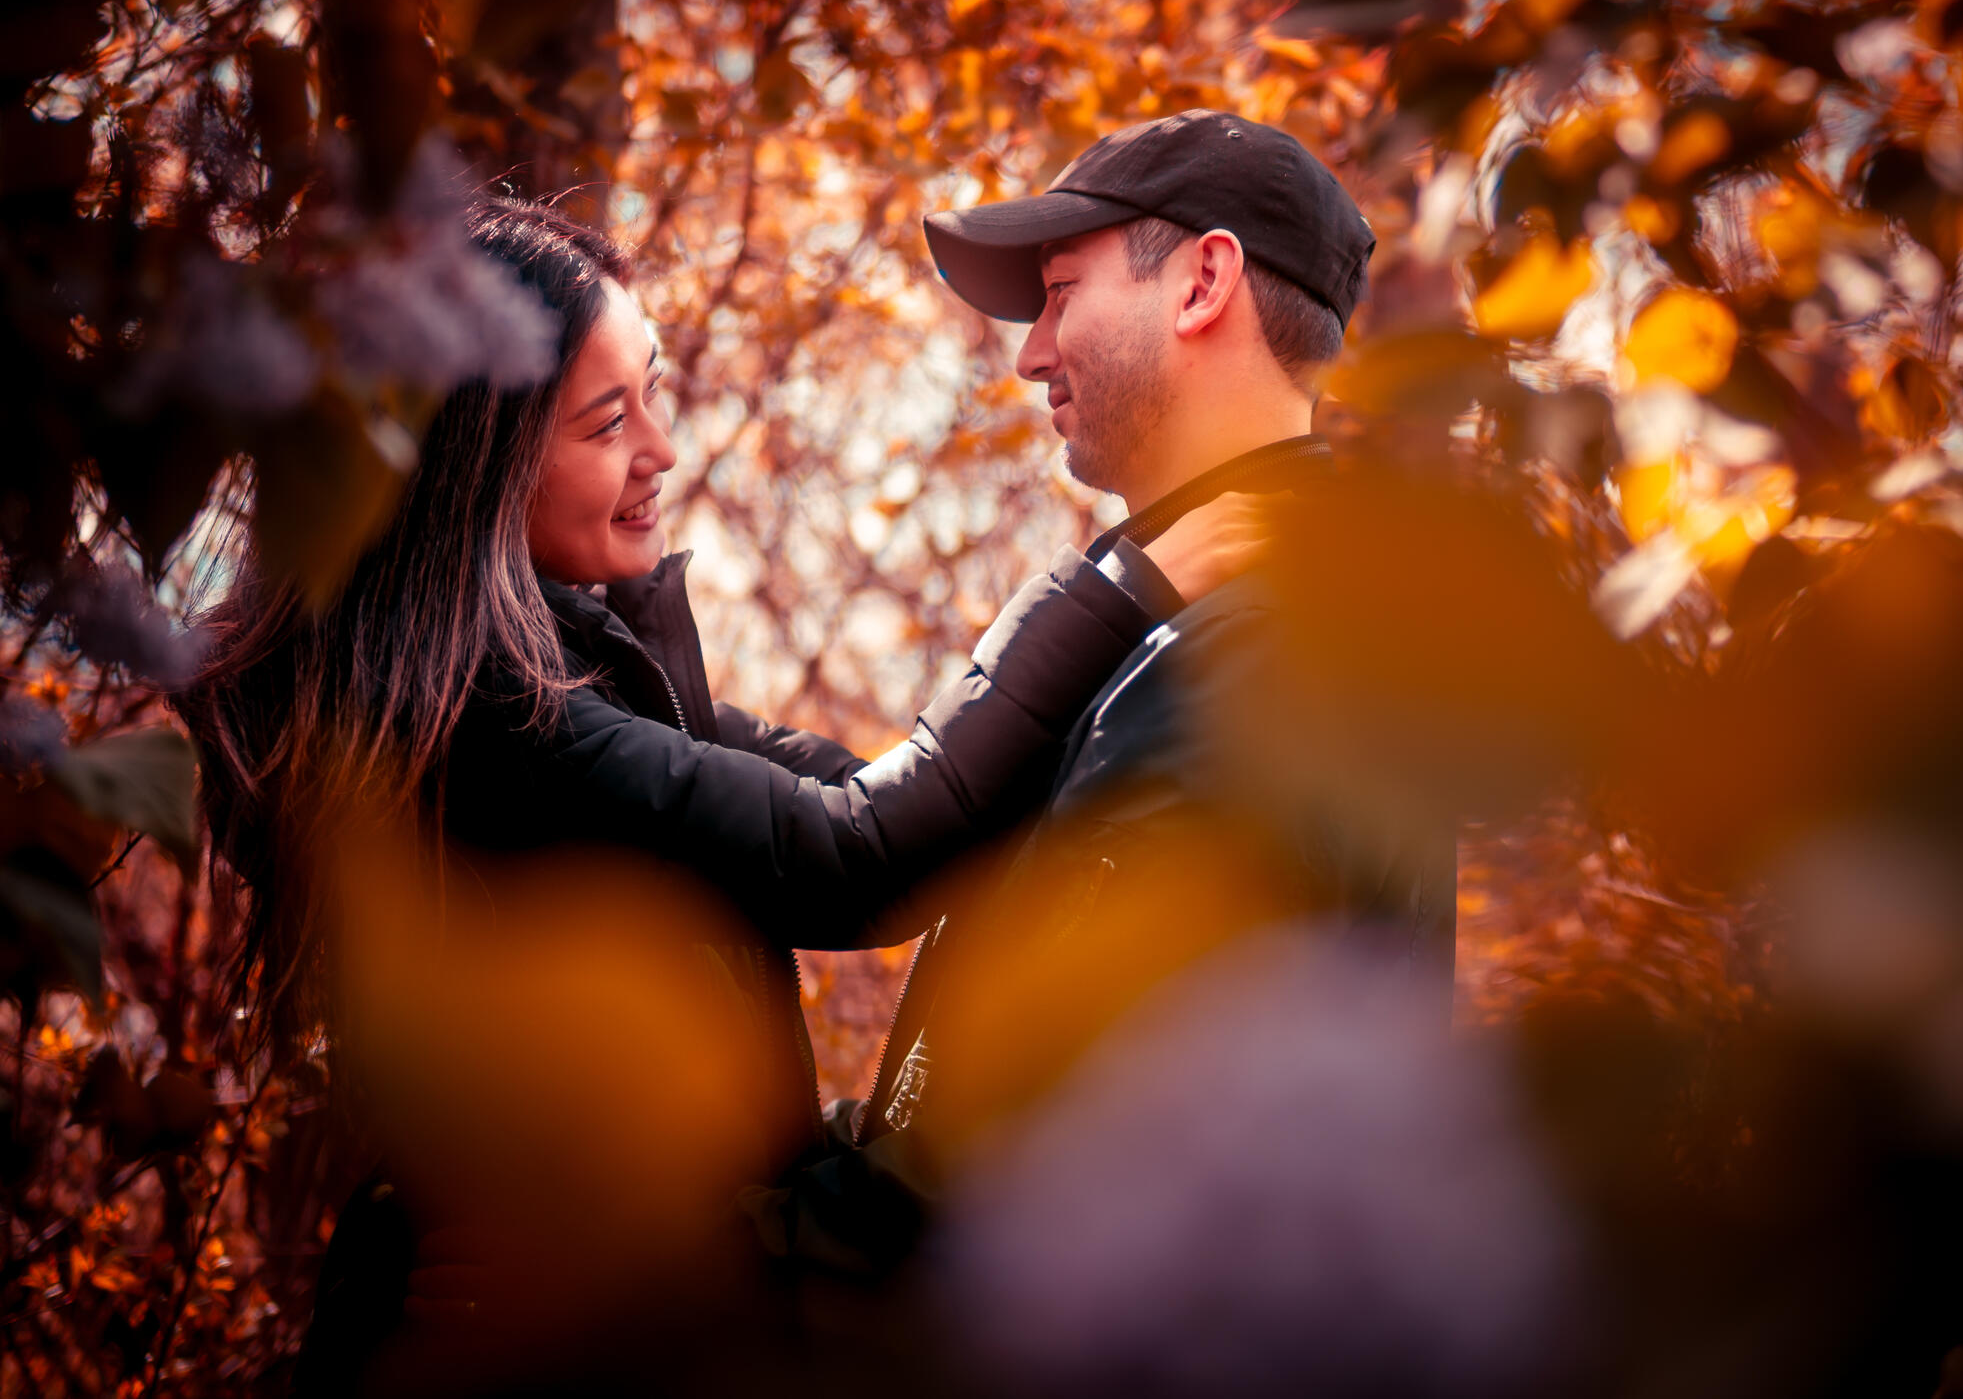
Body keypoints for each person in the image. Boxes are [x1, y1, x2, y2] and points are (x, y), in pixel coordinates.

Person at [173, 192, 1261, 1392]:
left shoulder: (585, 673)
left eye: (654, 389)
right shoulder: (483, 723)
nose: (661, 449)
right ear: (479, 470)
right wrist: (1122, 586)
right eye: (605, 423)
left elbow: (875, 799)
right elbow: (861, 861)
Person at [843, 109, 1458, 1189]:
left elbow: (1033, 1148)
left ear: (1201, 284)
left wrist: (730, 1248)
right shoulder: (1223, 623)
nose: (1031, 353)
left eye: (1061, 293)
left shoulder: (1241, 656)